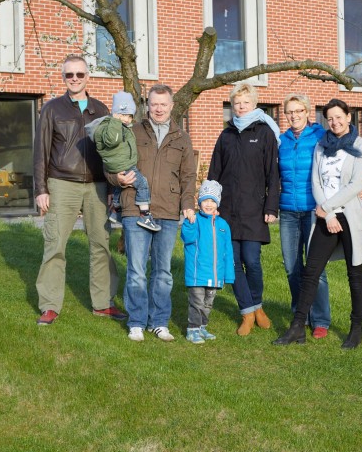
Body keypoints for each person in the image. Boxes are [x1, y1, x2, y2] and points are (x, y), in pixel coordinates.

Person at [274, 98, 362, 348]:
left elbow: (356, 184)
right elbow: (316, 182)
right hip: (325, 217)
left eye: (339, 117)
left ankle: (356, 328)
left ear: (349, 117)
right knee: (311, 271)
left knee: (356, 273)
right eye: (330, 118)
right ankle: (297, 326)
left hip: (351, 216)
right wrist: (328, 214)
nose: (335, 122)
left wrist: (328, 208)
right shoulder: (321, 145)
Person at [33, 53, 122, 326]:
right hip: (62, 184)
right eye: (69, 75)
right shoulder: (52, 109)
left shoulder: (101, 109)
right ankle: (49, 305)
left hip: (97, 185)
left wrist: (110, 187)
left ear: (88, 77)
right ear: (63, 78)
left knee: (101, 246)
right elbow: (41, 151)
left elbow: (110, 153)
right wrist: (41, 189)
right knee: (55, 245)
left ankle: (103, 303)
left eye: (79, 75)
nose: (74, 79)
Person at [110, 84, 197, 342]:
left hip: (168, 211)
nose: (158, 108)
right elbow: (111, 161)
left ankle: (159, 321)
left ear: (171, 106)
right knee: (136, 269)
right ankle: (136, 321)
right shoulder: (132, 132)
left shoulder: (182, 138)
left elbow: (189, 175)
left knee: (163, 271)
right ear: (147, 106)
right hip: (135, 208)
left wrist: (187, 203)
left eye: (163, 104)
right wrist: (115, 178)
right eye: (154, 104)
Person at [208, 82, 280, 336]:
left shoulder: (264, 133)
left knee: (252, 260)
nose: (240, 106)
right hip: (227, 211)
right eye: (237, 102)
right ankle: (249, 312)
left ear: (254, 104)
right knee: (233, 263)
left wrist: (271, 207)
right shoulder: (226, 135)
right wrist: (210, 204)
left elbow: (273, 173)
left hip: (254, 209)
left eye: (245, 102)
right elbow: (214, 172)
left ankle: (256, 305)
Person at [278, 93, 331, 339]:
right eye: (289, 112)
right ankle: (301, 315)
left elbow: (344, 160)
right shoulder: (283, 140)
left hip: (314, 210)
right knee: (292, 267)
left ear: (308, 112)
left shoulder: (321, 136)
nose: (294, 115)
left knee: (316, 268)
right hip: (288, 210)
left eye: (298, 110)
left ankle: (320, 319)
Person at [86, 90, 159, 232]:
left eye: (129, 116)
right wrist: (114, 120)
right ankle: (145, 215)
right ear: (115, 114)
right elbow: (112, 141)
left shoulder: (121, 126)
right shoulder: (110, 127)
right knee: (142, 183)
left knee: (121, 186)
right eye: (122, 115)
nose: (126, 119)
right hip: (122, 164)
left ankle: (115, 210)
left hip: (121, 163)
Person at [180, 179, 235, 344]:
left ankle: (202, 327)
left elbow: (228, 252)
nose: (209, 204)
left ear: (217, 203)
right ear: (199, 202)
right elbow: (187, 238)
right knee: (197, 302)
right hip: (197, 273)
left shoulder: (223, 224)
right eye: (206, 200)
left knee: (208, 303)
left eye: (213, 201)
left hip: (215, 274)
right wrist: (188, 223)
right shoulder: (194, 220)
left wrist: (229, 275)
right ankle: (193, 329)